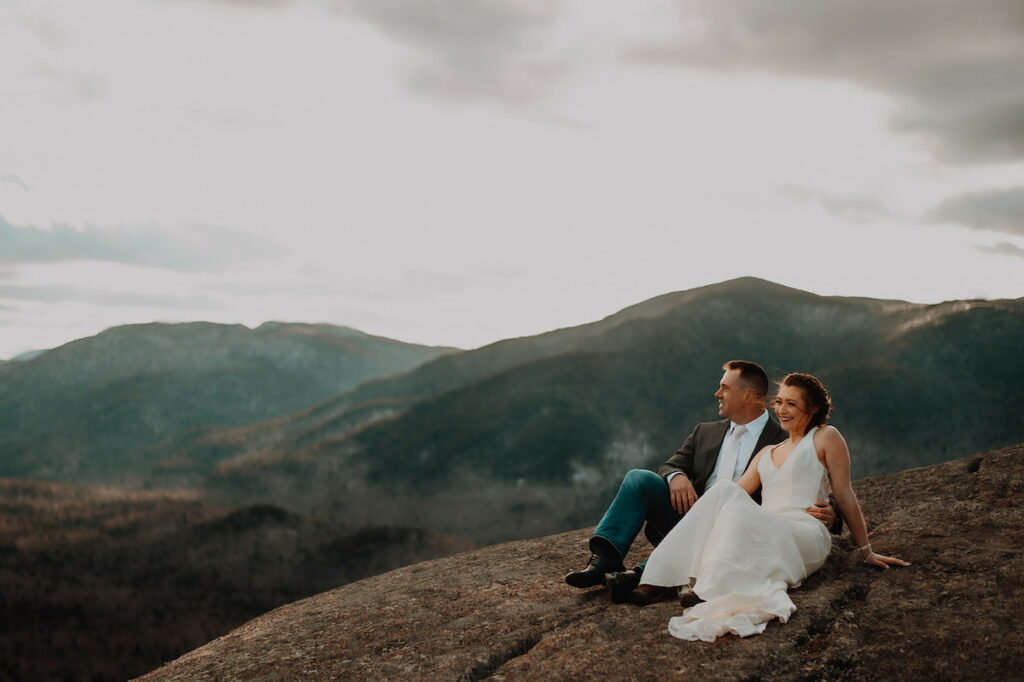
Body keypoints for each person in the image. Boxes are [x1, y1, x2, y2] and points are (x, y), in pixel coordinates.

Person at [633, 372, 909, 641]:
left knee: (728, 495)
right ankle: (665, 578)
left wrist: (865, 550)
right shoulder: (767, 453)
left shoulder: (825, 437)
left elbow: (845, 493)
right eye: (779, 402)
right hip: (767, 527)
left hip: (804, 532)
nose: (782, 410)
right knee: (725, 490)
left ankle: (696, 585)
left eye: (792, 404)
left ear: (812, 408)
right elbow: (729, 497)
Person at [564, 361, 840, 601]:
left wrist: (832, 513)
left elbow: (805, 482)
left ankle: (640, 576)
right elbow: (672, 463)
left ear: (748, 395)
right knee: (639, 479)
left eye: (724, 388)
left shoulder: (784, 439)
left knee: (721, 519)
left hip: (737, 530)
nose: (717, 394)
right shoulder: (704, 432)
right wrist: (676, 476)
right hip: (684, 516)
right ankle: (606, 560)